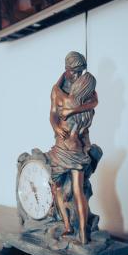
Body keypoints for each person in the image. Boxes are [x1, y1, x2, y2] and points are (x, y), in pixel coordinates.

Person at [49, 51, 98, 244]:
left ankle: (83, 234)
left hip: (75, 149)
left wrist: (72, 110)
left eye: (80, 72)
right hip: (60, 148)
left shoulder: (84, 90)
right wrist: (56, 126)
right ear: (67, 70)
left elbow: (95, 101)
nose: (76, 76)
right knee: (57, 186)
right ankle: (68, 226)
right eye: (73, 72)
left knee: (78, 190)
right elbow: (52, 113)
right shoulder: (57, 89)